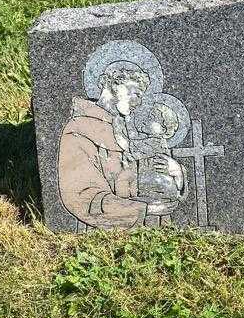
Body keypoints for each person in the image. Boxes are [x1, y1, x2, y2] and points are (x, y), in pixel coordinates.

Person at [57, 60, 180, 230]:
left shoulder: (125, 128)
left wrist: (175, 171)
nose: (138, 101)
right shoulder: (79, 130)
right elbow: (81, 195)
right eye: (136, 93)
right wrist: (144, 209)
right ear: (113, 83)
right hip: (107, 234)